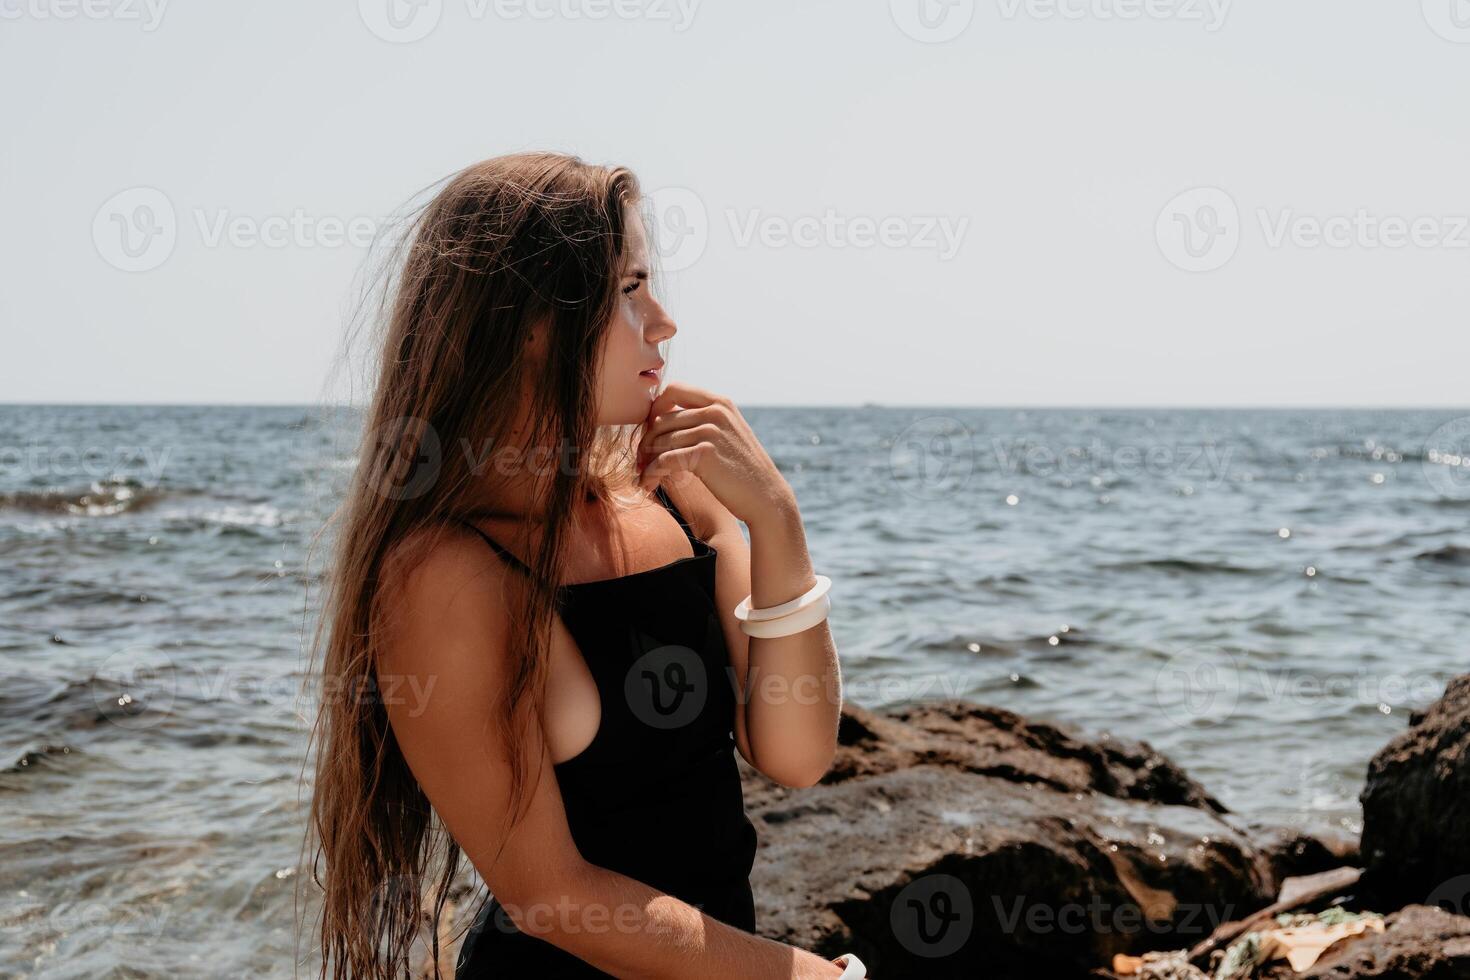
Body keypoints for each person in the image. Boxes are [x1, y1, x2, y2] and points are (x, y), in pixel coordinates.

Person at [303, 152, 850, 978]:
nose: (662, 320)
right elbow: (549, 894)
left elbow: (798, 755)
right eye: (629, 290)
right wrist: (805, 977)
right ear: (530, 323)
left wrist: (775, 521)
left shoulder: (674, 498)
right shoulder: (448, 572)